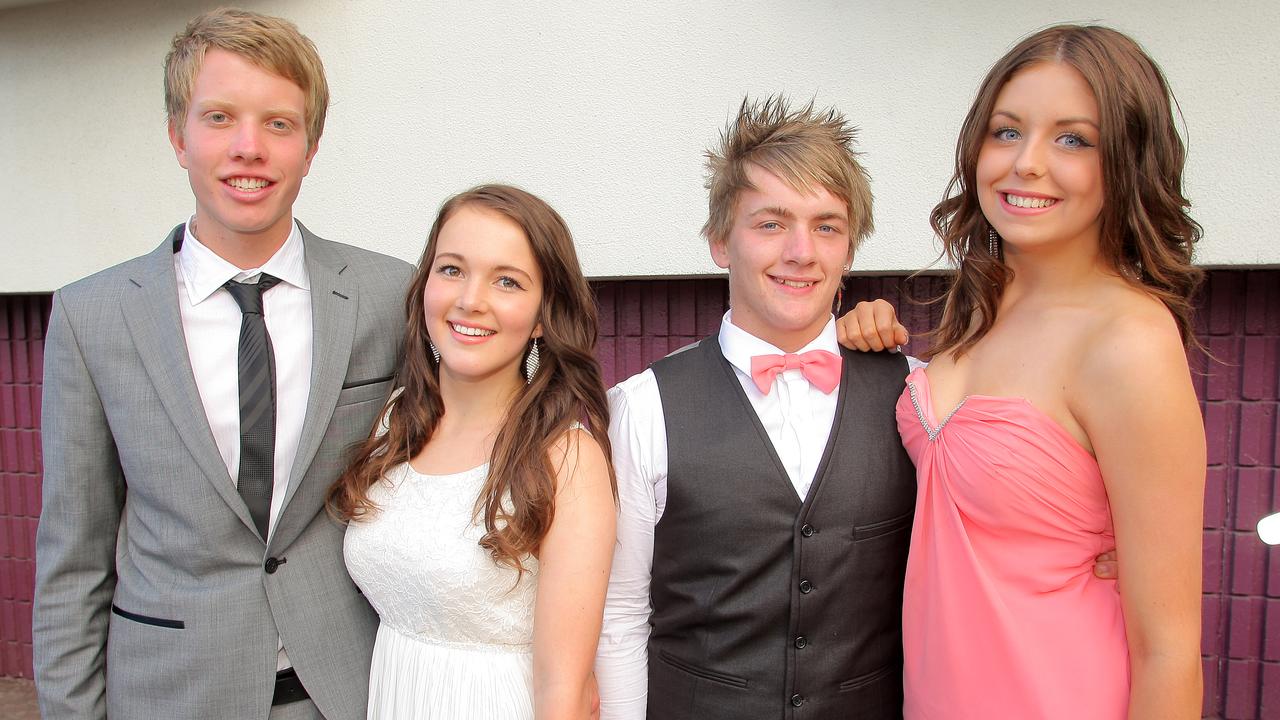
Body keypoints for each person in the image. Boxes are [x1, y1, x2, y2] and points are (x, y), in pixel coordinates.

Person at [32, 9, 412, 719]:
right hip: (171, 690)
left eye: (278, 123)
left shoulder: (388, 295)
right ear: (178, 136)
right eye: (219, 118)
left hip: (343, 688)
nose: (249, 148)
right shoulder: (94, 316)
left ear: (311, 145)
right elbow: (72, 562)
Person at [842, 24, 1205, 719]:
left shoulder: (1127, 341)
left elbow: (1169, 650)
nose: (1025, 164)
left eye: (1073, 139)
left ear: (1125, 161)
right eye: (1006, 132)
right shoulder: (980, 306)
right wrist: (856, 336)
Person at [595, 96, 917, 719]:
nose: (801, 251)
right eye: (771, 223)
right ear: (721, 242)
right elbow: (621, 612)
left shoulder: (915, 396)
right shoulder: (642, 409)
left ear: (850, 250)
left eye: (826, 226)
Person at [332, 185, 617, 720]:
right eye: (452, 269)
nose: (470, 300)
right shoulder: (396, 422)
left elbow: (568, 690)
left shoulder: (566, 459)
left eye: (507, 281)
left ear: (541, 317)